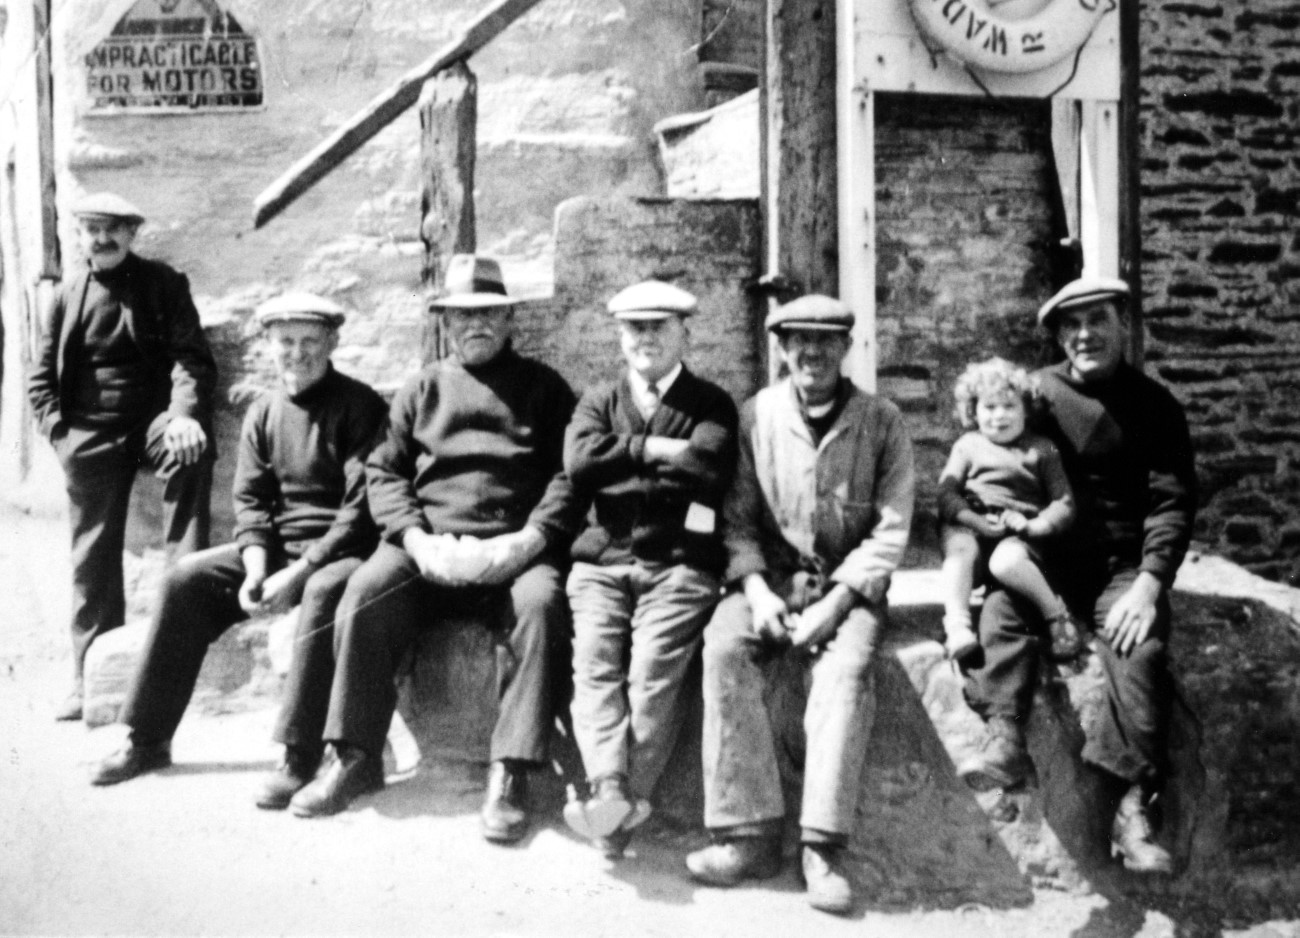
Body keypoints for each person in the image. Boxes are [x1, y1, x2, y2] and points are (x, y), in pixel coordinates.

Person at [289, 255, 581, 843]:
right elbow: (384, 473)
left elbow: (570, 477)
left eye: (490, 313)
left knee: (544, 605)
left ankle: (512, 770)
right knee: (365, 592)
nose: (477, 324)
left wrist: (529, 541)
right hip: (430, 549)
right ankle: (355, 756)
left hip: (513, 549)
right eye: (462, 314)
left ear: (509, 318)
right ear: (444, 320)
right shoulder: (420, 390)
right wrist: (417, 541)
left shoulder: (546, 390)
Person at [89, 293, 387, 796]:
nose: (297, 353)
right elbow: (250, 501)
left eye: (310, 341)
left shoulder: (361, 407)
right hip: (277, 554)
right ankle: (147, 737)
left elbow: (360, 511)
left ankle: (299, 753)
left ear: (332, 342)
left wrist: (298, 573)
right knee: (187, 580)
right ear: (270, 346)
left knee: (320, 593)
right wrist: (254, 569)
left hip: (343, 553)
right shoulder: (264, 413)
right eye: (286, 342)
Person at [957, 277, 1197, 875]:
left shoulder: (1156, 407)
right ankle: (1004, 736)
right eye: (1071, 326)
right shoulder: (1034, 395)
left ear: (1124, 323)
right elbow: (985, 452)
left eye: (1097, 321)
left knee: (1139, 651)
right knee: (1002, 610)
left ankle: (1133, 807)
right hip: (1051, 557)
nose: (1084, 335)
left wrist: (1149, 584)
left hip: (1121, 564)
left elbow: (1171, 504)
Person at [684, 295, 915, 914]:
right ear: (780, 349)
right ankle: (749, 833)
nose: (810, 352)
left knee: (843, 671)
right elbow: (735, 523)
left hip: (847, 585)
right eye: (796, 341)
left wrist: (837, 605)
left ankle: (820, 848)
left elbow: (892, 530)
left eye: (824, 340)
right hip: (774, 579)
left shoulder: (882, 421)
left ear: (847, 348)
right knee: (723, 647)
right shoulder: (756, 417)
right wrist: (756, 590)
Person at [561, 280, 738, 858]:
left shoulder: (711, 404)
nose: (646, 339)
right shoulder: (596, 401)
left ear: (685, 332)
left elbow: (706, 470)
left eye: (659, 327)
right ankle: (612, 790)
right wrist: (656, 451)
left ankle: (613, 806)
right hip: (602, 562)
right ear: (619, 336)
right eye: (635, 328)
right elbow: (580, 463)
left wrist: (622, 455)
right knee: (593, 666)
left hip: (679, 563)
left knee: (652, 677)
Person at [27, 193, 216, 722]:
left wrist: (182, 415)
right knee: (90, 557)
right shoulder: (66, 297)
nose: (103, 238)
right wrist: (61, 437)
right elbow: (40, 380)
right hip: (90, 431)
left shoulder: (163, 284)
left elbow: (191, 358)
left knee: (192, 452)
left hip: (153, 421)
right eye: (92, 229)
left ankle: (184, 613)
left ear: (133, 234)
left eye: (114, 229)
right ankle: (89, 678)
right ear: (79, 236)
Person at [937, 357, 1081, 664]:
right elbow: (946, 494)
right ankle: (958, 627)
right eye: (989, 407)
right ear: (973, 411)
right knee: (958, 548)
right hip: (973, 530)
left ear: (1026, 409)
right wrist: (973, 520)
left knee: (1005, 561)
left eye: (1009, 406)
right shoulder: (968, 445)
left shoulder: (1042, 448)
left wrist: (1034, 526)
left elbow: (1064, 504)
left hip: (1018, 538)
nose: (999, 416)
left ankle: (1055, 615)